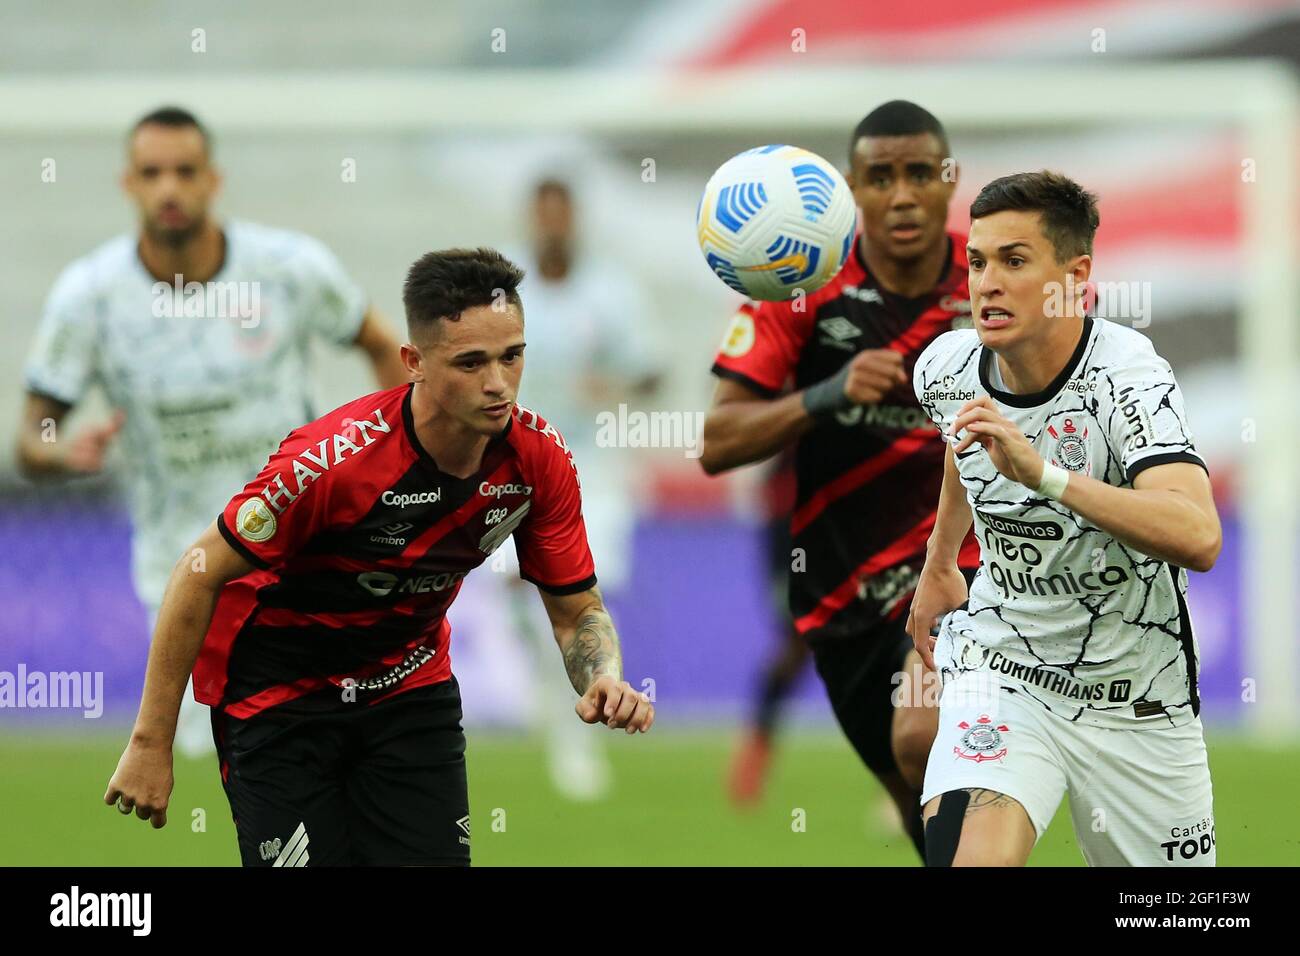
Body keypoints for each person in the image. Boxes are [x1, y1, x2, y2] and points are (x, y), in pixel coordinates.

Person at [103, 248, 654, 866]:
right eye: (470, 362)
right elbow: (195, 573)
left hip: (407, 691)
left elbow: (576, 610)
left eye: (512, 356)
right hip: (279, 702)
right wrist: (152, 743)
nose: (497, 383)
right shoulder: (329, 464)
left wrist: (602, 676)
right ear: (414, 363)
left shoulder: (538, 461)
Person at [16, 106, 406, 756]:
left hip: (304, 551)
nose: (169, 187)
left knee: (330, 748)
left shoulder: (287, 268)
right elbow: (30, 434)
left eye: (184, 171)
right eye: (152, 172)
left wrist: (394, 458)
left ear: (213, 180)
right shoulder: (89, 296)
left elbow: (381, 344)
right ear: (129, 185)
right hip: (184, 569)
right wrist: (60, 448)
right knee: (224, 766)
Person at [908, 171, 1220, 867]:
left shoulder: (1127, 376)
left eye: (1014, 262)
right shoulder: (945, 369)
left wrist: (1044, 475)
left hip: (1135, 700)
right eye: (978, 262)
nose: (987, 283)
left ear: (1073, 276)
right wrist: (939, 561)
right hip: (1003, 668)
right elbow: (967, 448)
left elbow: (1197, 535)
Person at [701, 101, 980, 856]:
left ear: (948, 179)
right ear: (853, 187)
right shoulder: (803, 290)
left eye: (920, 173)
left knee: (923, 737)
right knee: (917, 799)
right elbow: (717, 441)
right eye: (881, 176)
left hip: (957, 573)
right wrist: (830, 392)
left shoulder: (988, 285)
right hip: (840, 590)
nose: (902, 195)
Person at [491, 178, 660, 801]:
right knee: (523, 599)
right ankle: (562, 723)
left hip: (593, 464)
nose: (553, 224)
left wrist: (614, 382)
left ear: (575, 219)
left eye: (562, 213)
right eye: (544, 212)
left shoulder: (610, 291)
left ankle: (577, 730)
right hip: (514, 466)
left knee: (586, 593)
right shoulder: (503, 291)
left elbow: (652, 370)